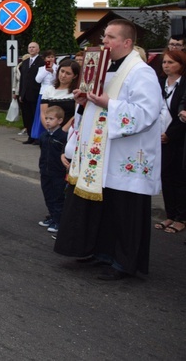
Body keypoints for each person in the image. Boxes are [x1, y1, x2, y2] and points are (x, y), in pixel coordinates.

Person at [55, 19, 162, 281]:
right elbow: (99, 104)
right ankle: (102, 253)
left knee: (125, 211)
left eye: (110, 37)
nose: (104, 41)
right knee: (106, 208)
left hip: (126, 155)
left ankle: (124, 263)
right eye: (104, 36)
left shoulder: (140, 72)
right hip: (103, 154)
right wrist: (84, 102)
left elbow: (146, 113)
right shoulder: (108, 68)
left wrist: (108, 104)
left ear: (127, 43)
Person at [154, 50, 186, 233]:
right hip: (159, 136)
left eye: (171, 62)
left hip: (177, 138)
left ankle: (181, 218)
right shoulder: (160, 83)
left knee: (179, 179)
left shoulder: (184, 85)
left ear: (181, 64)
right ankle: (170, 215)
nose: (166, 65)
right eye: (164, 62)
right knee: (165, 177)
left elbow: (181, 114)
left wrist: (170, 134)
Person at [37, 105, 68, 234]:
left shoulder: (63, 137)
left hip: (58, 172)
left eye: (51, 118)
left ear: (60, 121)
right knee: (48, 195)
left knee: (58, 196)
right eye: (46, 118)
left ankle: (58, 221)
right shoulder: (44, 136)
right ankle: (52, 216)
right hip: (45, 171)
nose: (48, 121)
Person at [39, 58, 80, 130]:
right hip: (51, 130)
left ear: (75, 76)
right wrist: (50, 130)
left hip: (70, 130)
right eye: (62, 71)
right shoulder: (49, 90)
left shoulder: (76, 92)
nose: (63, 75)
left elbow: (77, 114)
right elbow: (43, 113)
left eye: (68, 73)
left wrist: (63, 131)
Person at [18, 42, 43, 144]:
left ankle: (37, 137)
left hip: (35, 93)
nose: (31, 49)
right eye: (30, 47)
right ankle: (30, 136)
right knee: (27, 116)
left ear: (38, 49)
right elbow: (22, 79)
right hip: (25, 94)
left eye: (33, 47)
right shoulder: (25, 62)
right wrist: (20, 93)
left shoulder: (41, 62)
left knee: (35, 115)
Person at [31, 49, 57, 141]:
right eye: (48, 57)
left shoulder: (57, 68)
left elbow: (57, 80)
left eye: (52, 57)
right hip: (43, 93)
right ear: (45, 59)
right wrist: (46, 70)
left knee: (52, 114)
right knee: (42, 114)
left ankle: (52, 133)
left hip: (54, 93)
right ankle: (40, 135)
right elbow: (37, 80)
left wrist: (52, 72)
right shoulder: (41, 68)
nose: (50, 59)